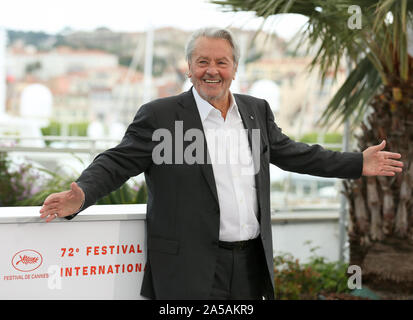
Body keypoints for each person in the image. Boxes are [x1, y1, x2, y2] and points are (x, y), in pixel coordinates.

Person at [39, 27, 403, 300]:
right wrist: (81, 194)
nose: (211, 70)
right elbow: (117, 162)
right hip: (188, 269)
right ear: (189, 67)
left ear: (234, 68)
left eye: (221, 62)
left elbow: (295, 153)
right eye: (202, 62)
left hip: (248, 265)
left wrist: (357, 163)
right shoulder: (160, 115)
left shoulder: (256, 110)